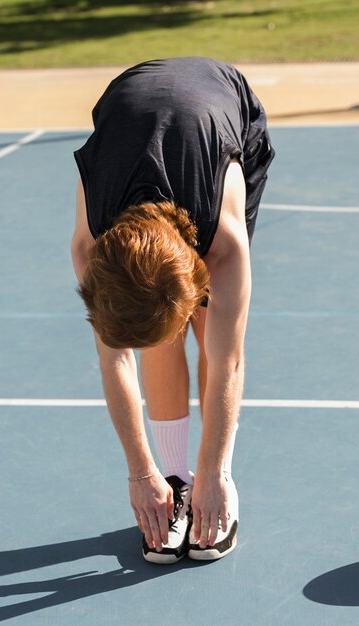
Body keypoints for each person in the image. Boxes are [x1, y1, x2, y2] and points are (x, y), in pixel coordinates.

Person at [70, 57, 274, 563]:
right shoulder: (93, 246)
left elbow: (229, 360)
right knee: (160, 332)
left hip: (224, 105)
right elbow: (114, 357)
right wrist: (142, 473)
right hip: (127, 102)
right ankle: (176, 476)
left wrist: (216, 471)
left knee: (209, 326)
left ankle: (209, 477)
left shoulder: (222, 242)